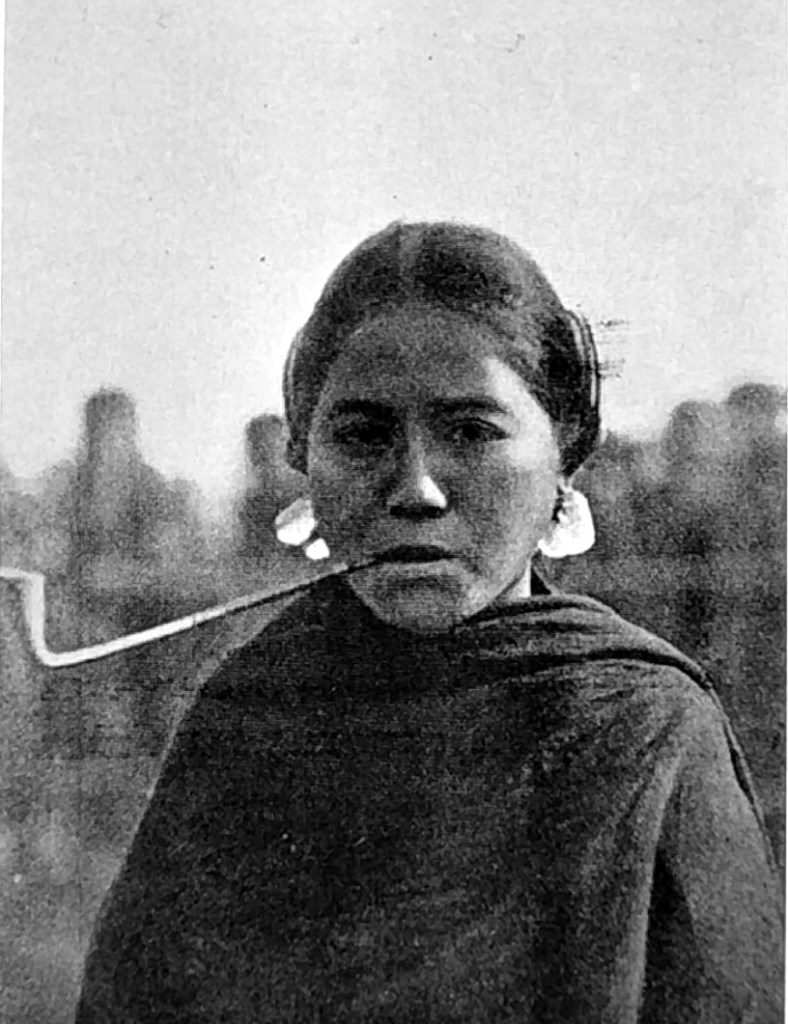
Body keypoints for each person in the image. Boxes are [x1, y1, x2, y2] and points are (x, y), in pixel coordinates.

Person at [75, 222, 782, 1023]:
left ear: (564, 457)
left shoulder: (643, 729)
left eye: (472, 432)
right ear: (304, 458)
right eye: (362, 435)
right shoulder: (248, 713)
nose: (417, 489)